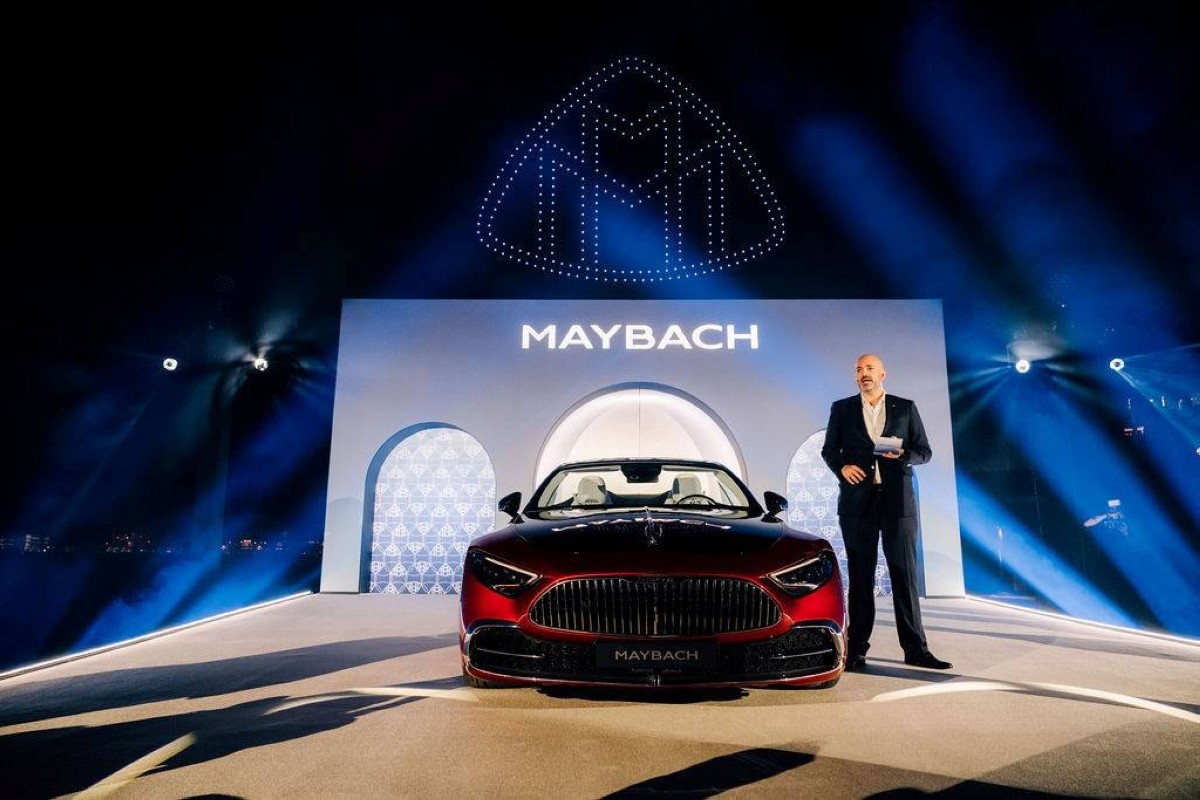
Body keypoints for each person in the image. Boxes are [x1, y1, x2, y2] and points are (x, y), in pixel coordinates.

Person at [821, 353, 952, 671]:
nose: (863, 373)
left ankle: (916, 649)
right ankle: (856, 650)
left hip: (897, 504)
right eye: (858, 369)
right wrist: (842, 467)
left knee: (904, 577)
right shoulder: (842, 408)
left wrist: (903, 453)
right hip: (857, 505)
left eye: (869, 368)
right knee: (860, 578)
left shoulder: (905, 408)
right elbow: (829, 449)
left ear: (883, 374)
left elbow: (924, 451)